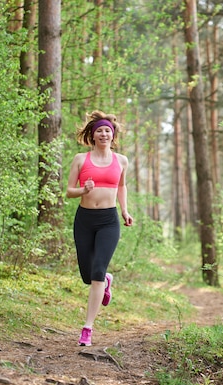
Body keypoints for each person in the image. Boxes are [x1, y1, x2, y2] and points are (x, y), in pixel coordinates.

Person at [66, 110, 133, 347]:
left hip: (108, 221)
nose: (104, 134)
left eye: (108, 130)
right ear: (93, 135)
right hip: (84, 219)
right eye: (99, 131)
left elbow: (122, 186)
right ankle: (106, 280)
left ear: (112, 135)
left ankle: (87, 329)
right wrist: (83, 191)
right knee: (88, 275)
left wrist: (124, 210)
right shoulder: (80, 159)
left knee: (95, 272)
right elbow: (68, 191)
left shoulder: (121, 160)